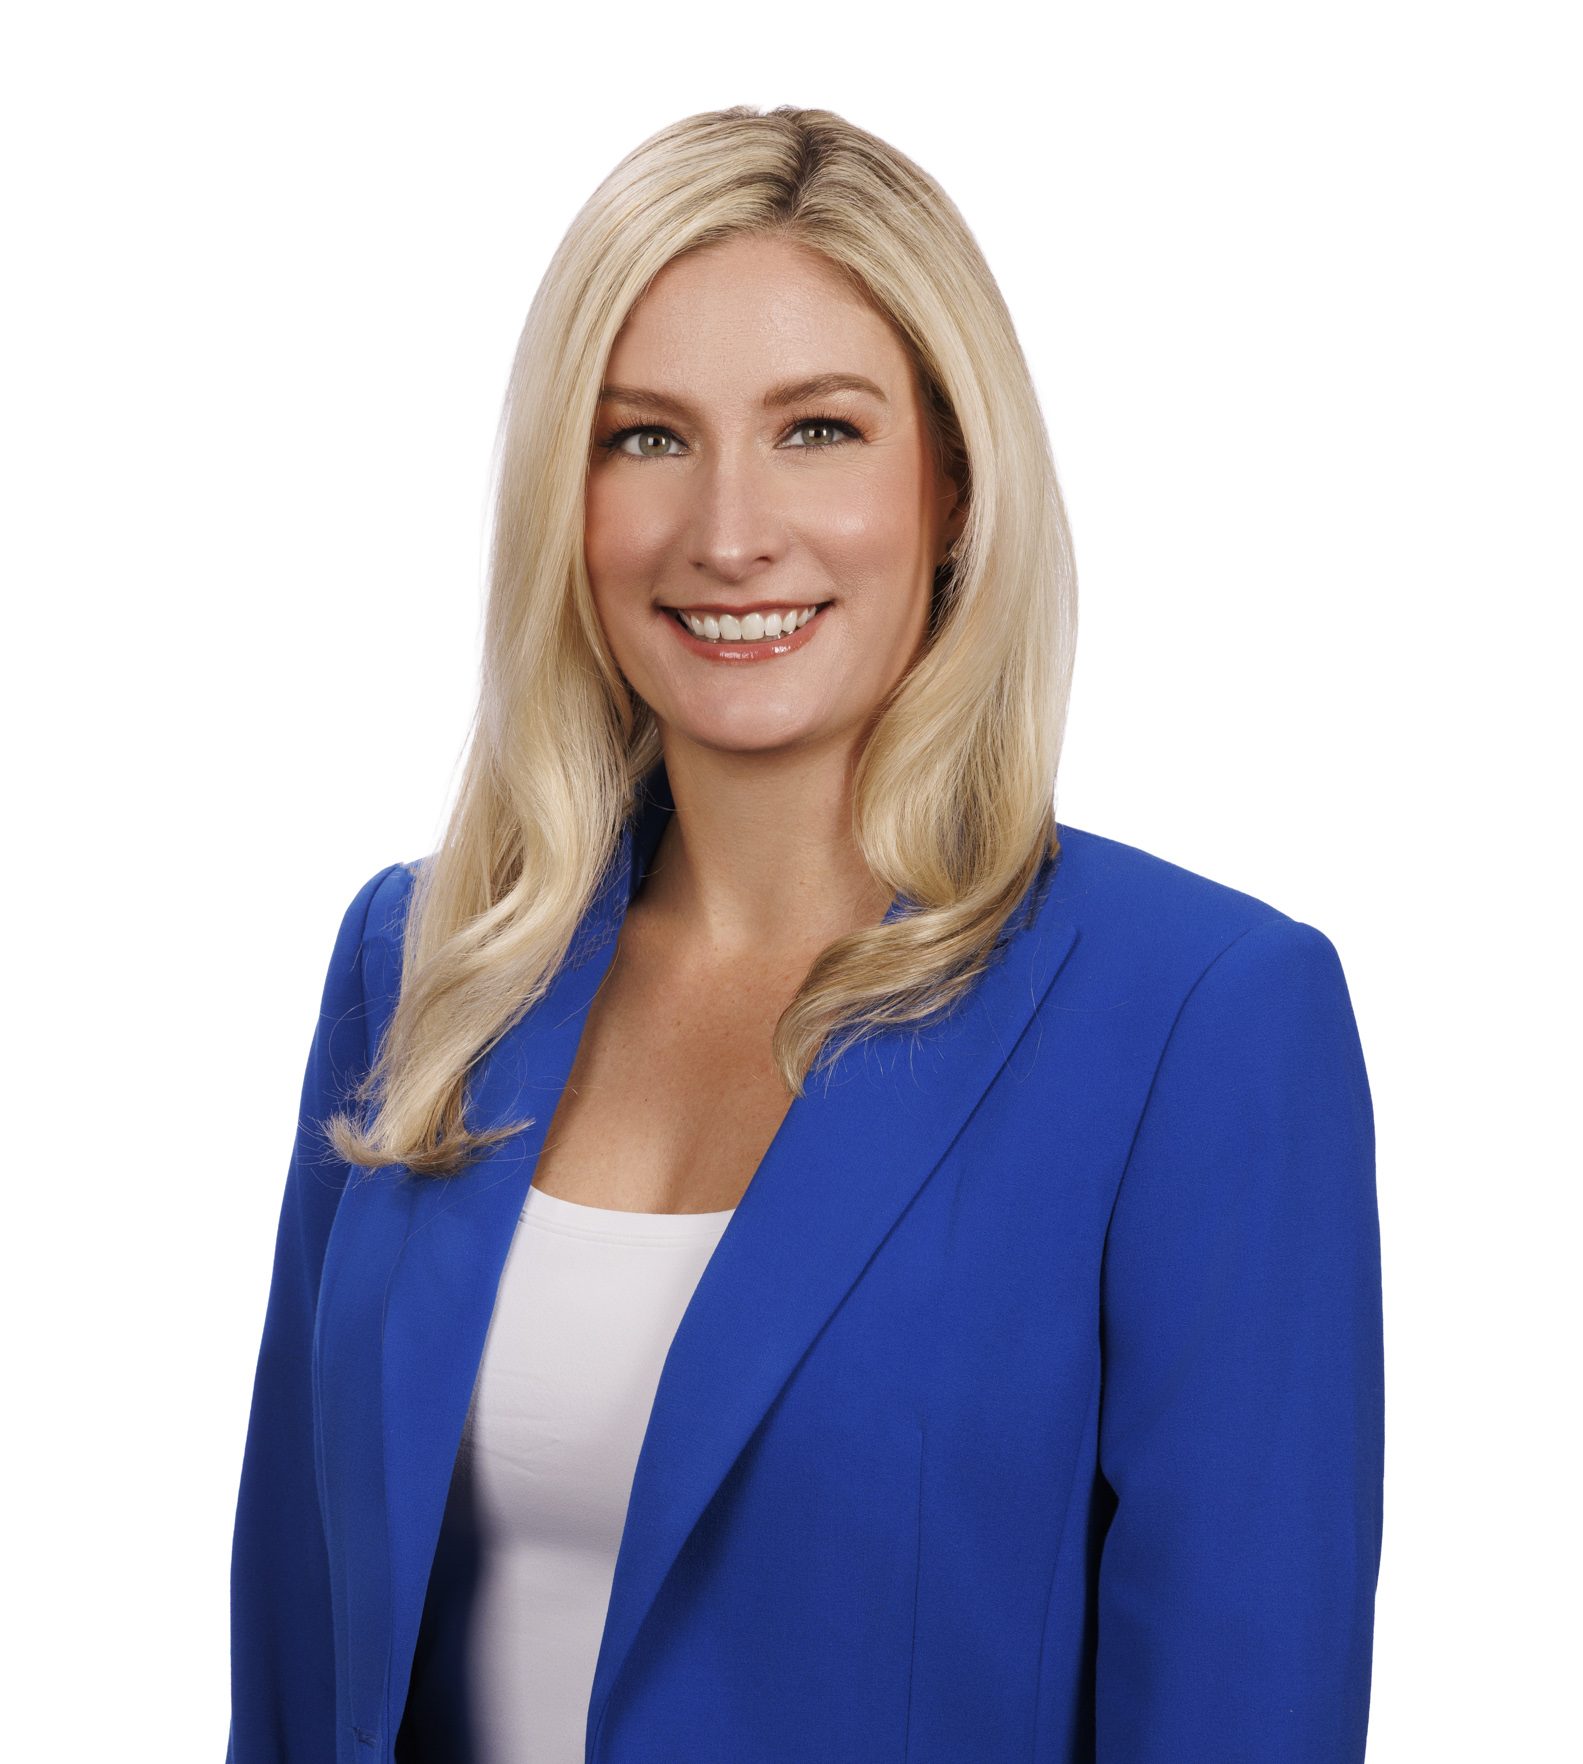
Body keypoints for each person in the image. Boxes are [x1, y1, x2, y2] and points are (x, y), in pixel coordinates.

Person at [225, 105, 1385, 1764]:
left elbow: (1242, 1710)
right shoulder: (422, 967)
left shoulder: (1202, 1022)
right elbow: (293, 1668)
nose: (727, 531)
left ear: (954, 485)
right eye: (645, 438)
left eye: (819, 430)